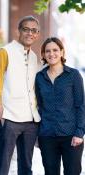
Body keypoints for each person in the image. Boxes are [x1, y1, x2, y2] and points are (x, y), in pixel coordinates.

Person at [0, 15, 41, 175]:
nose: (30, 33)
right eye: (26, 29)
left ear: (37, 34)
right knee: (3, 165)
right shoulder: (5, 52)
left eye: (34, 30)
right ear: (19, 31)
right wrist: (1, 115)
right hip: (9, 118)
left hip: (31, 121)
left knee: (26, 167)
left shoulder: (33, 57)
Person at [35, 37, 85, 175]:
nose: (52, 54)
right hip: (47, 135)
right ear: (44, 55)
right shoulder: (39, 77)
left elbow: (81, 105)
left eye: (55, 50)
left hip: (71, 136)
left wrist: (79, 133)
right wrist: (38, 134)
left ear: (62, 52)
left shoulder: (73, 75)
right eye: (48, 51)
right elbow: (39, 106)